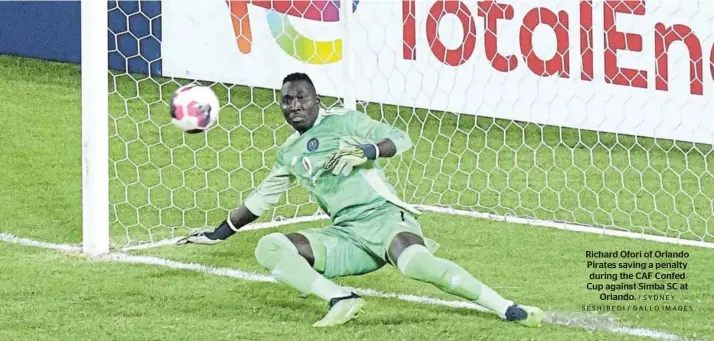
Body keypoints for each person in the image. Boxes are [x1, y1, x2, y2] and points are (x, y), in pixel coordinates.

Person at [177, 72, 544, 328]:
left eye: (301, 97)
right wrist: (218, 233)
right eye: (286, 101)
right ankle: (341, 299)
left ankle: (508, 308)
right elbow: (261, 199)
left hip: (386, 220)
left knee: (417, 264)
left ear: (316, 99)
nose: (294, 106)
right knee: (270, 247)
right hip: (346, 237)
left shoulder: (346, 121)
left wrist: (367, 149)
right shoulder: (289, 153)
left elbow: (400, 138)